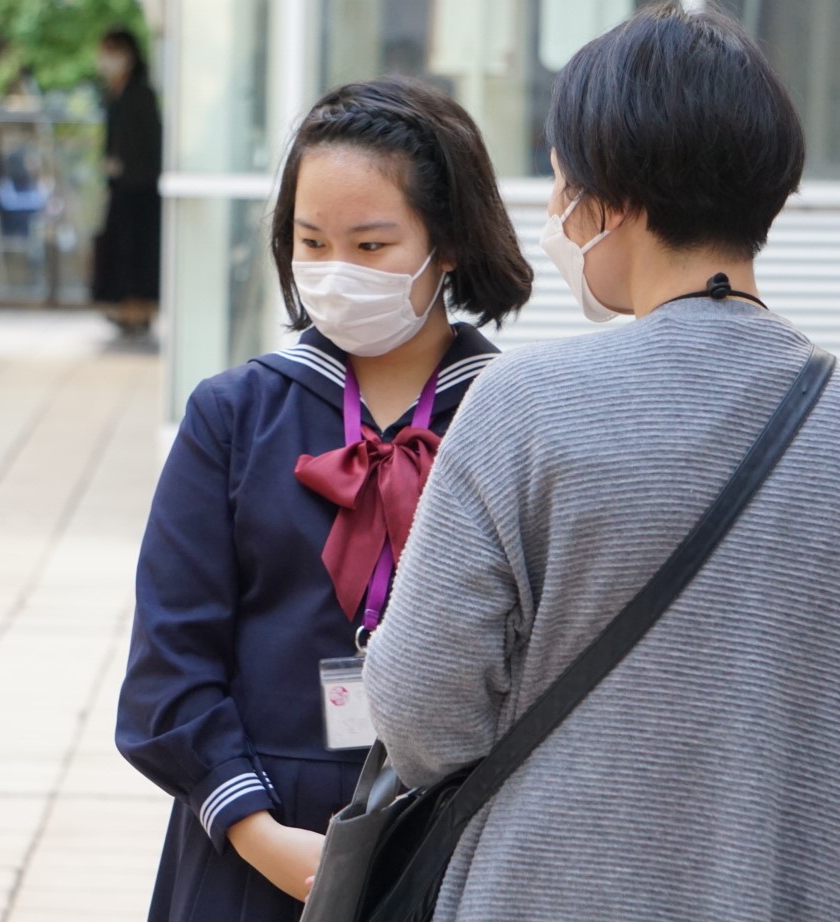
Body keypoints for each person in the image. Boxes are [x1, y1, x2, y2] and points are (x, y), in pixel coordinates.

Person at [364, 5, 840, 921]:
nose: (553, 215)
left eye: (558, 186)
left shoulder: (525, 406)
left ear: (610, 202)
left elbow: (423, 721)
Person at [116, 78, 531, 922]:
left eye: (371, 246)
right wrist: (254, 828)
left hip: (448, 843)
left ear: (445, 244)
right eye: (311, 241)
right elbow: (169, 660)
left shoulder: (516, 416)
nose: (334, 273)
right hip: (248, 832)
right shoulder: (233, 414)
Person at [91, 28, 162, 336]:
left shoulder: (140, 93)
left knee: (137, 250)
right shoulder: (114, 93)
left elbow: (148, 143)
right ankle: (124, 308)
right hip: (122, 186)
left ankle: (139, 310)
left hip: (140, 187)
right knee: (120, 249)